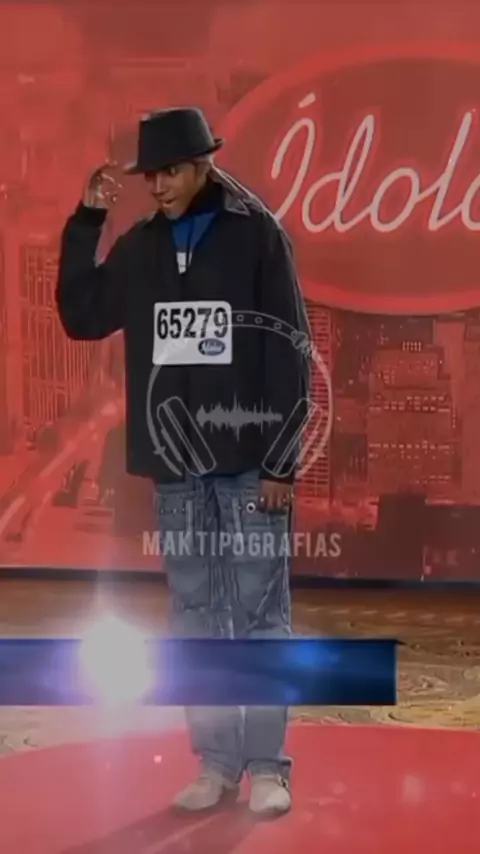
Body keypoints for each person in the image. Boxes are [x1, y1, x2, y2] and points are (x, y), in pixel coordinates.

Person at [56, 107, 311, 817]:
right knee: (196, 616)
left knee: (261, 615)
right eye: (150, 176)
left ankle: (267, 766)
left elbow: (289, 348)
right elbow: (82, 315)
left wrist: (281, 463)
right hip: (178, 470)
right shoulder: (140, 246)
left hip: (251, 465)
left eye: (169, 172)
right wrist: (86, 220)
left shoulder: (258, 235)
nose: (158, 186)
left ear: (202, 166)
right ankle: (217, 763)